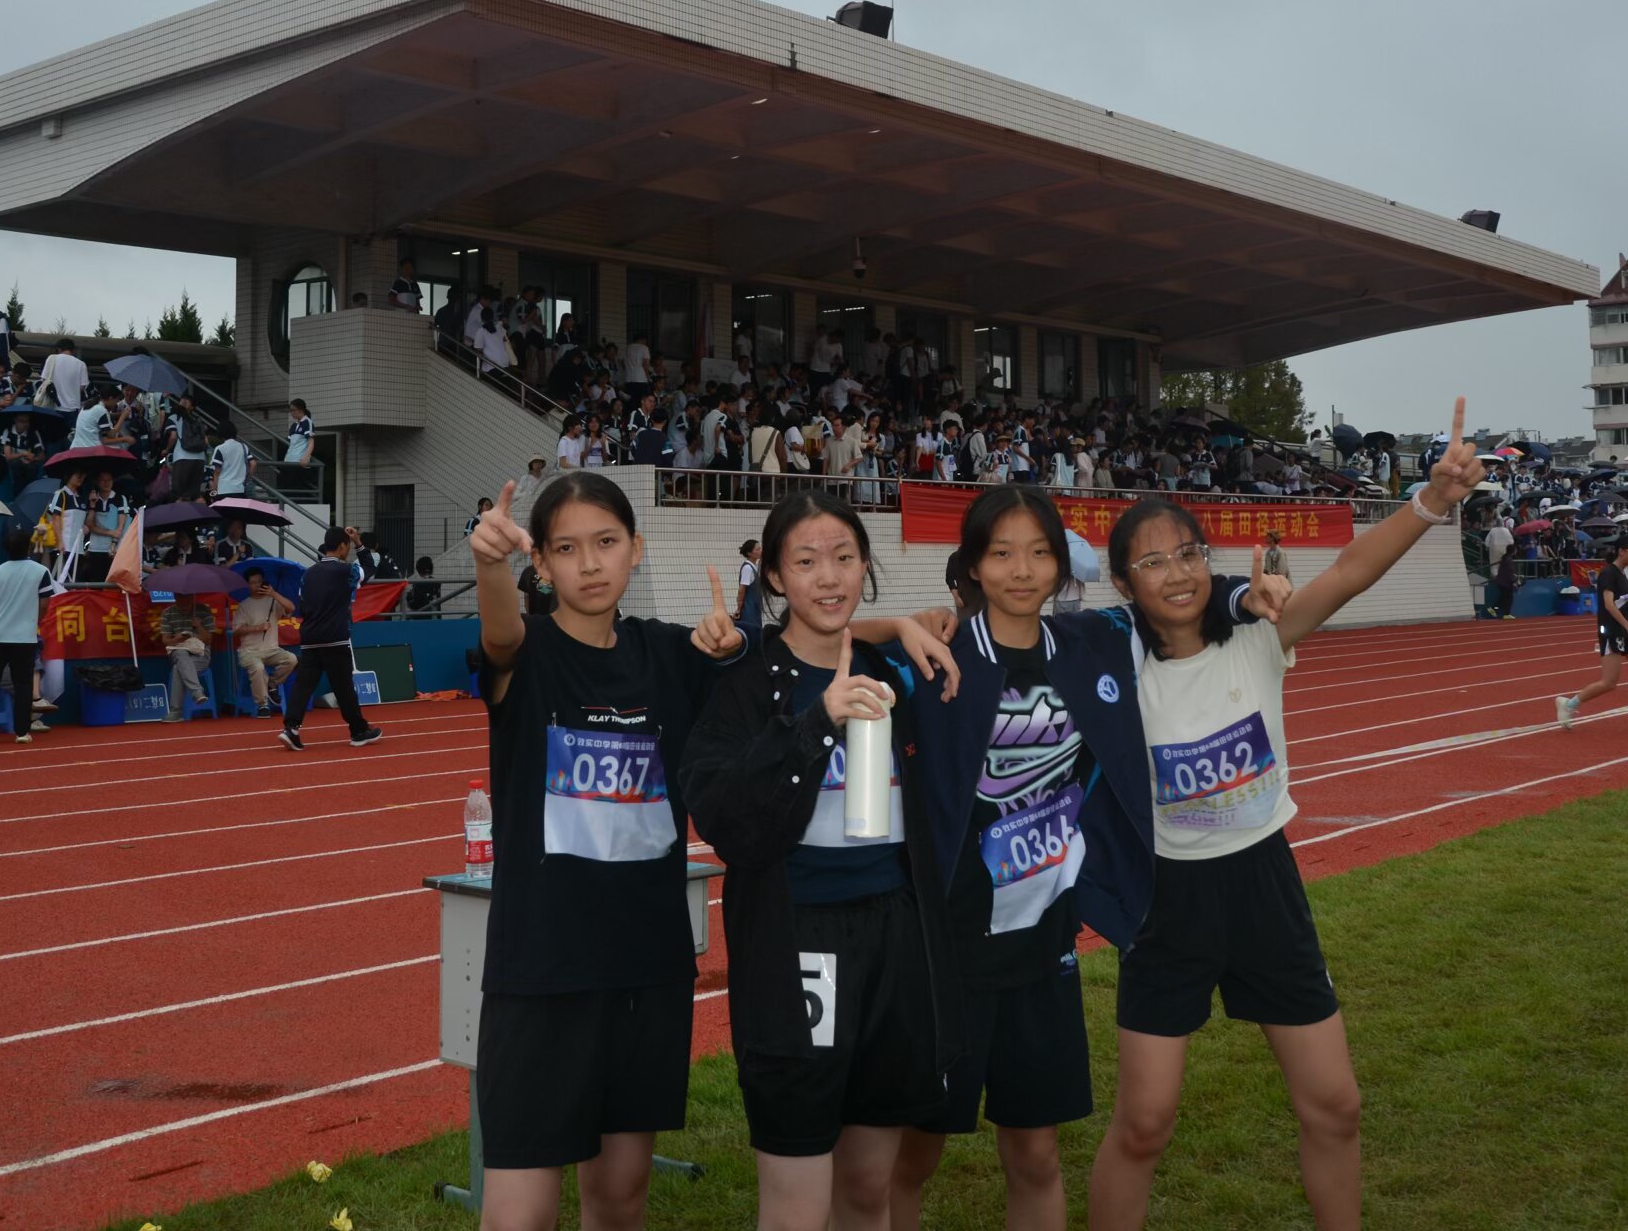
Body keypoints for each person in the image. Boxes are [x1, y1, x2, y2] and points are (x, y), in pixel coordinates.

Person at [1088, 397, 1489, 1231]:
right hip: (1167, 904)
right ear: (1124, 583)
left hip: (1264, 886)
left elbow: (1348, 572)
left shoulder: (1259, 637)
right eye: (1152, 562)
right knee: (1144, 1123)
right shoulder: (1114, 668)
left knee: (1335, 1106)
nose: (1177, 573)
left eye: (1189, 553)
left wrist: (1432, 500)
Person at [894, 486, 1268, 1231]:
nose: (1022, 570)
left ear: (1062, 565)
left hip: (1044, 945)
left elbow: (1172, 597)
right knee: (912, 1155)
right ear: (973, 565)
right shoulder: (936, 658)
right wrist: (898, 623)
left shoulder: (1094, 640)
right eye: (1002, 553)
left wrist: (1241, 596)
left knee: (1036, 1155)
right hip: (946, 950)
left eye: (1040, 552)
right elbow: (823, 639)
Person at [461, 474, 753, 1231]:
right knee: (519, 1212)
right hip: (542, 970)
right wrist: (490, 564)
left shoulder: (670, 653)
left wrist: (737, 646)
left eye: (606, 542)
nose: (589, 563)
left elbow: (791, 662)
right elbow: (501, 637)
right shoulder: (527, 653)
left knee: (621, 1196)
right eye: (565, 548)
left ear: (636, 549)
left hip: (646, 967)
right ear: (540, 564)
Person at [681, 492, 968, 1231]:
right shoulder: (743, 681)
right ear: (775, 577)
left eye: (844, 557)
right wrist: (816, 721)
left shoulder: (889, 667)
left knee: (869, 1187)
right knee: (798, 1198)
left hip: (893, 935)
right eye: (806, 562)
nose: (829, 577)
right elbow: (727, 821)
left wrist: (902, 625)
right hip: (797, 941)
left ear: (866, 565)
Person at [278, 526, 383, 751]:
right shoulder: (346, 571)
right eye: (348, 546)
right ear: (343, 546)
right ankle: (358, 731)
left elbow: (301, 606)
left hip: (310, 637)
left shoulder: (308, 573)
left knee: (304, 684)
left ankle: (291, 728)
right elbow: (369, 568)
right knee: (344, 687)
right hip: (335, 637)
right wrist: (360, 544)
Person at [1557, 537, 1628, 736]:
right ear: (1621, 551)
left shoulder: (1625, 574)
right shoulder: (1608, 573)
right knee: (1609, 682)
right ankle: (1569, 704)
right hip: (1613, 631)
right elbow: (1609, 605)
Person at [0, 532, 54, 744]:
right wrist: (34, 621)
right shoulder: (41, 571)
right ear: (28, 547)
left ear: (5, 549)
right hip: (24, 637)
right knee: (23, 683)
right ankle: (22, 732)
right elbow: (44, 604)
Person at [232, 567, 297, 714]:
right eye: (253, 582)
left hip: (272, 650)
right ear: (248, 585)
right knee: (258, 667)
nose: (257, 585)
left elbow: (291, 607)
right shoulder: (244, 605)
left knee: (292, 659)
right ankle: (263, 705)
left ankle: (272, 684)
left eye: (260, 581)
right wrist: (257, 628)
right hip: (249, 652)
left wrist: (274, 594)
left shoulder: (273, 601)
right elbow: (236, 630)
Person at [35, 336, 89, 412]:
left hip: (52, 405)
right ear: (73, 350)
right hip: (72, 406)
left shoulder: (52, 358)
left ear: (59, 349)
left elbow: (44, 379)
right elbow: (82, 386)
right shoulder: (81, 364)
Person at [733, 539, 762, 638]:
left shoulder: (754, 567)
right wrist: (739, 609)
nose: (760, 551)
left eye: (760, 548)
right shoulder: (747, 568)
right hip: (749, 608)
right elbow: (742, 589)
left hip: (755, 606)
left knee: (756, 633)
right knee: (751, 633)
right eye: (757, 549)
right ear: (749, 553)